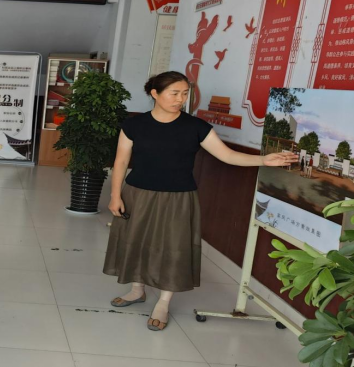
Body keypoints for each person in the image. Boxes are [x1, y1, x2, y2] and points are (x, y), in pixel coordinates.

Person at [104, 71, 297, 332]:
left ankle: (163, 302)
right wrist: (115, 195)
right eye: (174, 93)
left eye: (185, 94)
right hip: (137, 193)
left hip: (178, 197)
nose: (180, 99)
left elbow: (228, 156)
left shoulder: (195, 127)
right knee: (136, 239)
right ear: (155, 94)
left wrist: (263, 159)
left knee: (173, 247)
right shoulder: (134, 125)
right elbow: (121, 161)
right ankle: (137, 289)